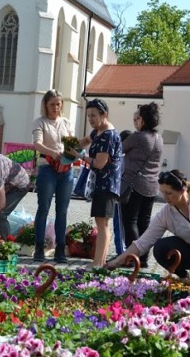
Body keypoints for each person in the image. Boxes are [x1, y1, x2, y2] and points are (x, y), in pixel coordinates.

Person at [69, 98, 122, 267]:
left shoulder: (108, 135)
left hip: (106, 185)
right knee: (101, 222)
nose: (90, 119)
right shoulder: (98, 131)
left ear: (104, 114)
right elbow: (84, 141)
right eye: (88, 116)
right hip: (100, 184)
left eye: (93, 115)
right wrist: (68, 145)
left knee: (103, 223)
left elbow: (99, 163)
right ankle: (100, 262)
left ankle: (98, 264)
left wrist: (79, 156)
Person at [31, 89, 75, 263]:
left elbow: (71, 144)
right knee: (43, 208)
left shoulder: (66, 123)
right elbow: (38, 144)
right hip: (47, 167)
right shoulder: (39, 122)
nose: (56, 107)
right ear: (46, 105)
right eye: (52, 104)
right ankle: (39, 247)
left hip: (66, 169)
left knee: (62, 211)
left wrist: (75, 152)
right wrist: (54, 153)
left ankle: (60, 249)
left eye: (58, 104)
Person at [120, 103, 163, 268]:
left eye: (138, 118)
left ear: (144, 120)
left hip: (135, 184)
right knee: (144, 222)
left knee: (130, 220)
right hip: (152, 186)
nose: (135, 122)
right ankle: (143, 258)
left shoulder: (138, 137)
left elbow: (120, 148)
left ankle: (132, 257)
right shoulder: (159, 138)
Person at [112, 129, 132, 256]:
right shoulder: (123, 157)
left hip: (120, 192)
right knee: (122, 222)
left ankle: (121, 249)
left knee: (119, 222)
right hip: (122, 192)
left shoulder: (121, 156)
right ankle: (121, 249)